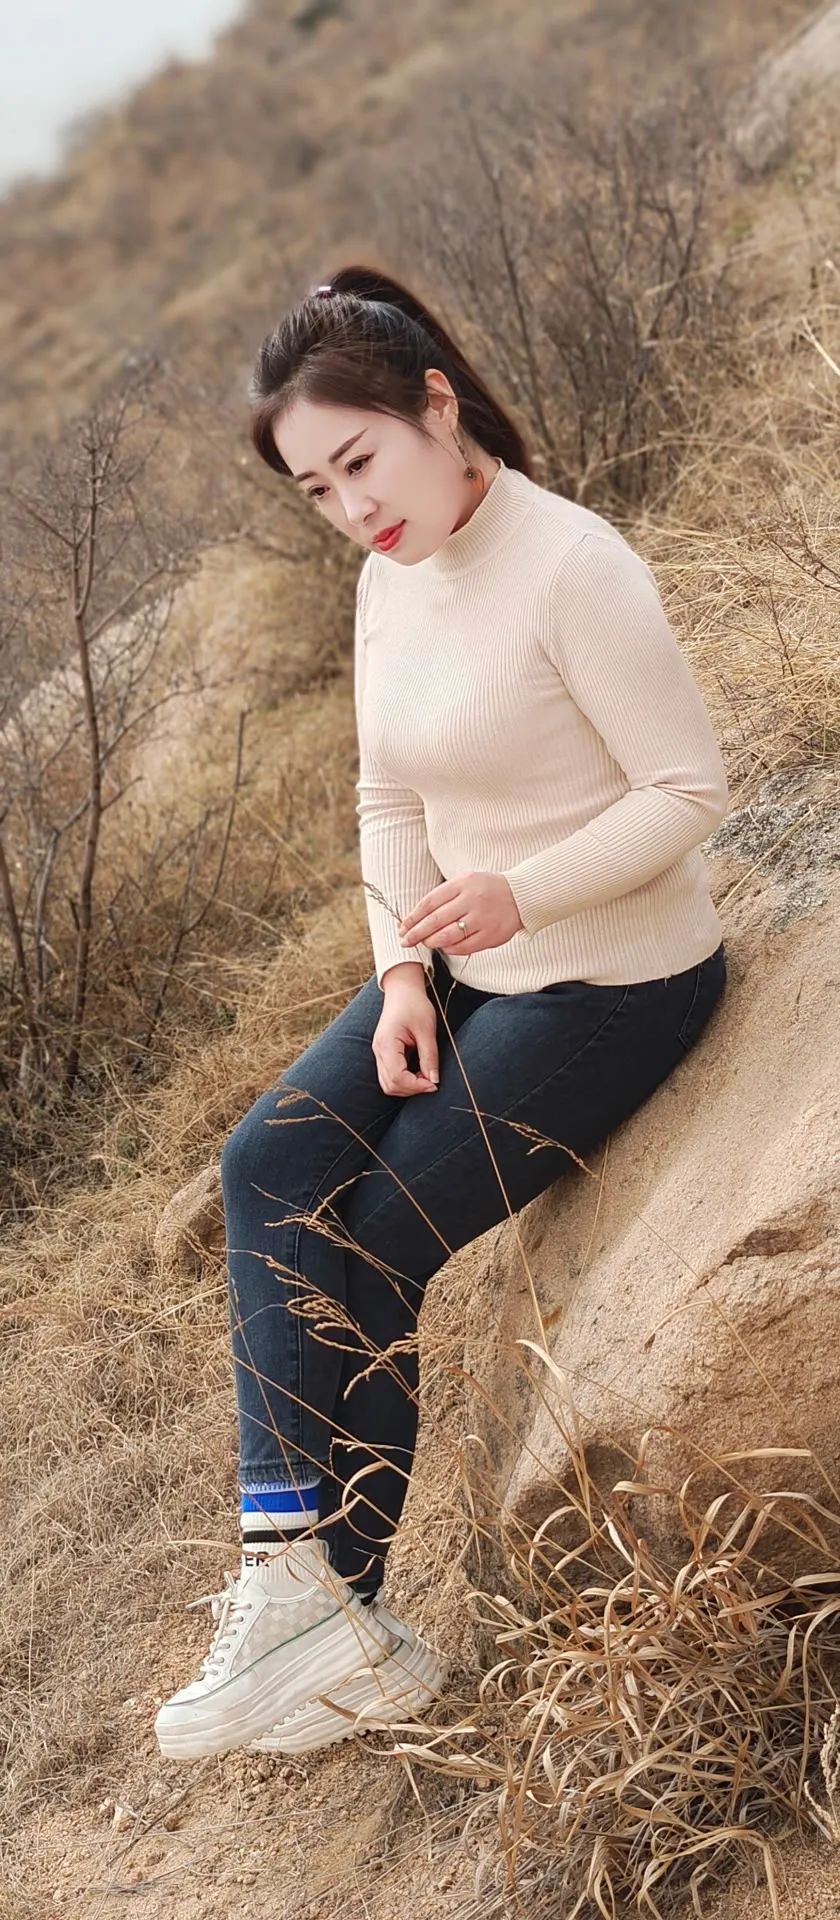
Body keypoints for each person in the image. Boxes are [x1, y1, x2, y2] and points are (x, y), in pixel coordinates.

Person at [155, 263, 729, 1764]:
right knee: (266, 1165)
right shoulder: (388, 577)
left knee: (373, 1240)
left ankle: (330, 1610)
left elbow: (690, 790)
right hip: (463, 955)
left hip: (616, 972)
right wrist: (404, 976)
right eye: (318, 491)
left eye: (362, 463)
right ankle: (298, 1592)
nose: (353, 510)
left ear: (435, 404)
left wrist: (522, 895)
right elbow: (388, 797)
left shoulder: (571, 565)